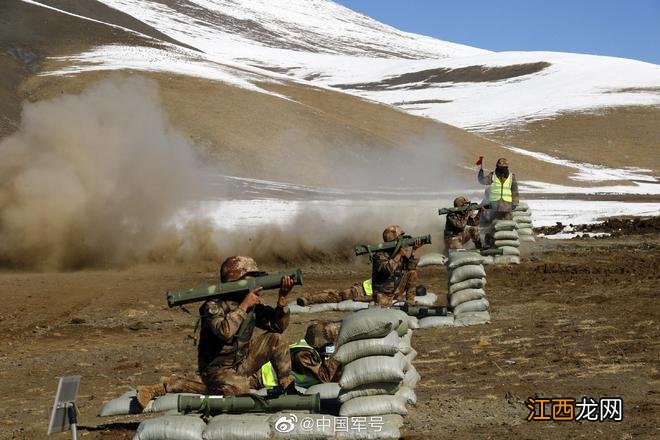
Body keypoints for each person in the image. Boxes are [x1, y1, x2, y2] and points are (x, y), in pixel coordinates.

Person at [135, 256, 295, 407]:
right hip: (215, 369)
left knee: (276, 338)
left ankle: (287, 387)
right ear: (235, 280)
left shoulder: (250, 303)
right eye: (250, 277)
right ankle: (169, 385)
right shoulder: (213, 306)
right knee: (240, 389)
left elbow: (277, 327)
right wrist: (243, 307)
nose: (256, 282)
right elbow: (225, 332)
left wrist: (282, 301)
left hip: (241, 362)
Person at [260, 321, 342, 388]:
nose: (331, 347)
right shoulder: (303, 354)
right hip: (260, 379)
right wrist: (337, 357)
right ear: (318, 343)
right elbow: (325, 377)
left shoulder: (316, 350)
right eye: (328, 344)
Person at [371, 225, 421, 307]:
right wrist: (399, 255)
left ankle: (410, 303)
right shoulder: (380, 255)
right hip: (383, 292)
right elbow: (388, 269)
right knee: (384, 311)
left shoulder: (399, 253)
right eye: (400, 238)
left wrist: (413, 251)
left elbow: (410, 267)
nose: (402, 240)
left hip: (396, 290)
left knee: (412, 272)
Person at [477, 157, 519, 222]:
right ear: (497, 166)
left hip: (506, 206)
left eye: (504, 168)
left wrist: (515, 202)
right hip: (494, 205)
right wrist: (480, 174)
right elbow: (483, 181)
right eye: (500, 167)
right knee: (492, 223)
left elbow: (514, 190)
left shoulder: (511, 176)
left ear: (507, 167)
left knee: (506, 224)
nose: (502, 169)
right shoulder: (492, 175)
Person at [296, 280, 372, 306]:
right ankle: (308, 299)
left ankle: (308, 296)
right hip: (360, 292)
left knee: (336, 294)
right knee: (336, 297)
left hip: (360, 288)